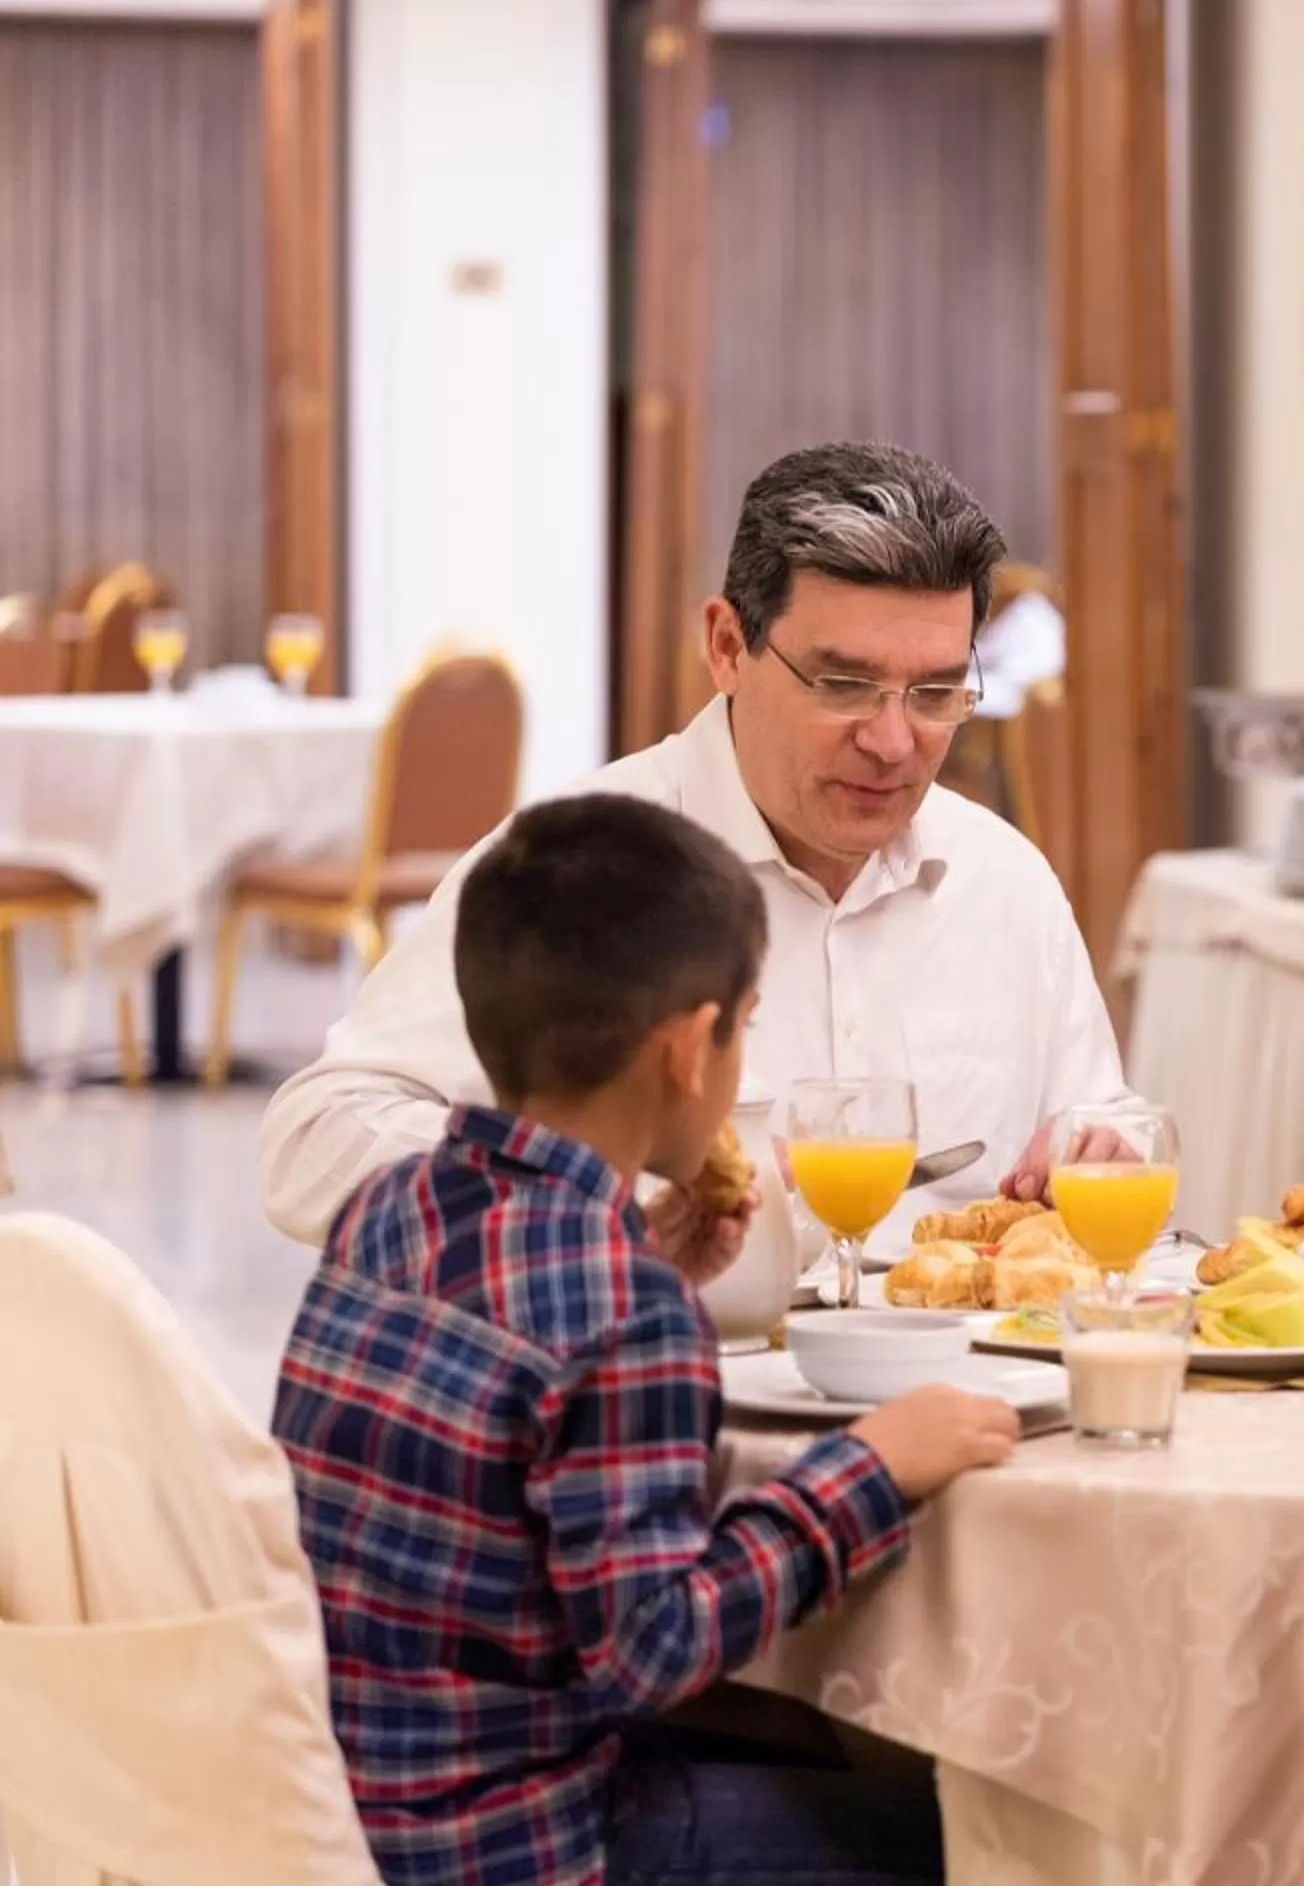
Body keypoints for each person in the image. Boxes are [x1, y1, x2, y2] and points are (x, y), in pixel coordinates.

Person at [270, 793, 1021, 1884]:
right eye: (744, 1024)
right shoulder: (625, 1308)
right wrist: (871, 1468)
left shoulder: (389, 1207)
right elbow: (653, 1650)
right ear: (687, 1051)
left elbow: (510, 1391)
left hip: (354, 1809)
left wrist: (649, 1264)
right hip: (537, 1844)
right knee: (970, 1833)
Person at [260, 441, 1131, 1247]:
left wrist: (1098, 1148)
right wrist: (615, 1206)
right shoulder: (588, 868)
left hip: (974, 1389)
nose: (894, 743)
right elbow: (316, 1139)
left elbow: (1100, 1113)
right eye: (845, 685)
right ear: (726, 646)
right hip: (663, 1386)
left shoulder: (1000, 878)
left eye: (936, 692)